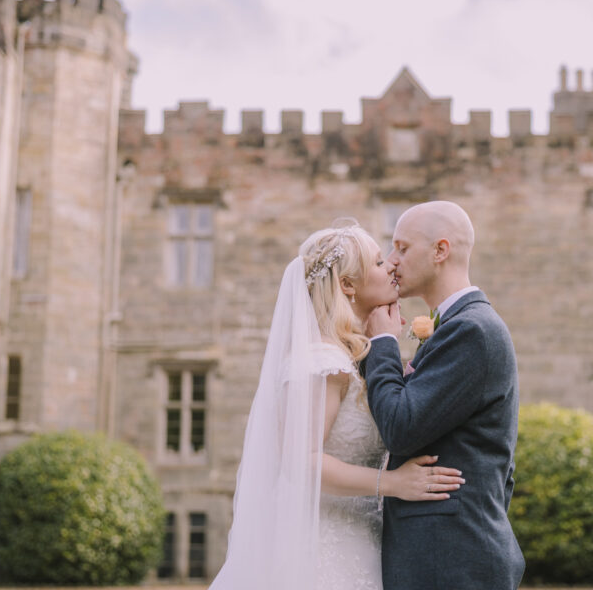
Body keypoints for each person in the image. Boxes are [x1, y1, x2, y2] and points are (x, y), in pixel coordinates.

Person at [209, 222, 465, 590]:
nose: (390, 267)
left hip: (364, 540)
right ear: (347, 284)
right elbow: (302, 461)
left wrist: (385, 344)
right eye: (378, 262)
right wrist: (392, 483)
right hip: (324, 550)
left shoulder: (354, 357)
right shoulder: (324, 361)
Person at [363, 201, 525, 590]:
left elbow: (401, 428)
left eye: (402, 248)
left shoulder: (473, 330)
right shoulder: (459, 326)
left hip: (451, 560)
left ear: (440, 251)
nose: (391, 259)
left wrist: (382, 342)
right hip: (444, 556)